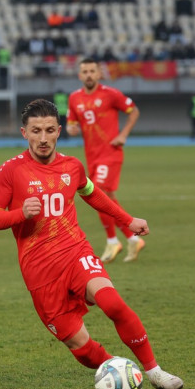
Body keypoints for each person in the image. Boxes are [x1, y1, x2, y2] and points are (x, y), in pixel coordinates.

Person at [0, 98, 184, 389]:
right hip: (39, 272)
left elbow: (93, 194)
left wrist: (127, 220)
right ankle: (118, 368)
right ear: (24, 133)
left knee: (113, 303)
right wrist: (19, 214)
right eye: (36, 130)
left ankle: (154, 371)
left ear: (59, 131)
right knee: (80, 345)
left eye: (49, 130)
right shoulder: (10, 171)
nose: (43, 138)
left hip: (74, 251)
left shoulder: (72, 167)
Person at [66, 58, 142, 263]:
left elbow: (134, 111)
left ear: (99, 74)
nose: (89, 74)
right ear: (80, 75)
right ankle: (133, 239)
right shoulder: (74, 98)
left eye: (92, 71)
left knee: (96, 193)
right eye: (85, 71)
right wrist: (71, 128)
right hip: (92, 156)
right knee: (107, 200)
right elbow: (71, 123)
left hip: (110, 154)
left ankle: (112, 241)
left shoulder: (111, 94)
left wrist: (123, 134)